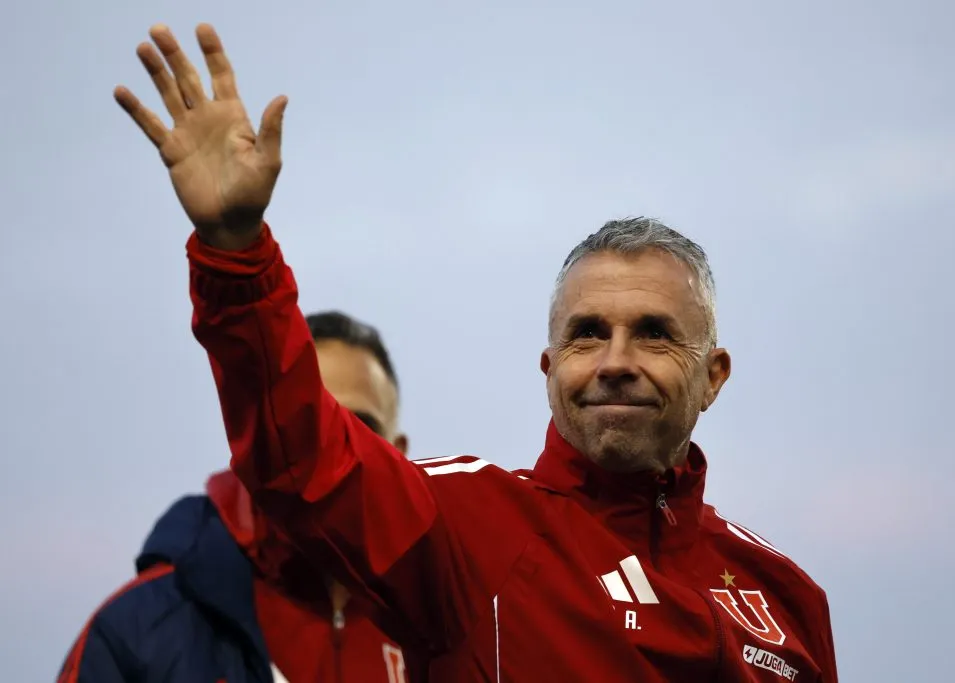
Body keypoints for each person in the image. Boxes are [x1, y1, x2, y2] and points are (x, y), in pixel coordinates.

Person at [113, 23, 839, 682]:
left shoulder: (785, 595)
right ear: (550, 369)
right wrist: (236, 253)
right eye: (587, 333)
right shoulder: (469, 527)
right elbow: (301, 456)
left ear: (713, 375)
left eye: (653, 331)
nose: (616, 358)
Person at [57, 311, 423, 683]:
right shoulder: (137, 638)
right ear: (263, 438)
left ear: (400, 454)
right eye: (307, 424)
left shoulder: (452, 632)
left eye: (362, 428)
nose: (332, 449)